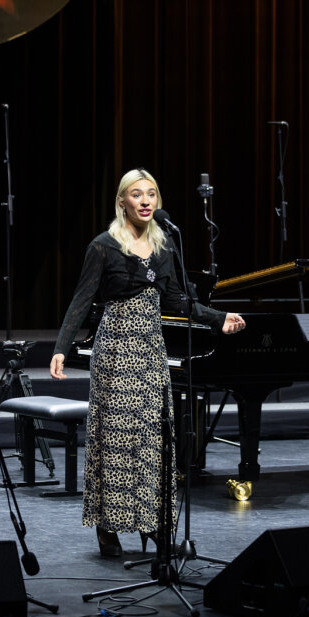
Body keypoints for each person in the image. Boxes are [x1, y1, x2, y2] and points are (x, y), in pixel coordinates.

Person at [49, 169, 246, 557]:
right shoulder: (103, 246)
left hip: (151, 352)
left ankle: (153, 525)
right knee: (116, 438)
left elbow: (178, 301)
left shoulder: (164, 244)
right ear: (122, 201)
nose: (145, 201)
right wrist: (61, 347)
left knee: (153, 440)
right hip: (115, 351)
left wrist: (218, 318)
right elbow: (82, 299)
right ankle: (108, 527)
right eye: (137, 194)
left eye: (151, 194)